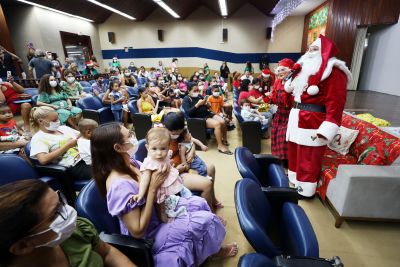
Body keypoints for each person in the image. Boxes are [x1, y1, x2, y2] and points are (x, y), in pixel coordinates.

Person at [91, 123, 238, 266]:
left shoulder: (130, 162)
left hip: (158, 209)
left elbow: (151, 175)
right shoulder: (119, 186)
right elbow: (137, 231)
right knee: (206, 220)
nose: (133, 136)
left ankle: (209, 249)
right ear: (118, 147)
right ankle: (211, 250)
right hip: (150, 232)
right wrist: (153, 189)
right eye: (129, 135)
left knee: (199, 203)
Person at [0, 179, 136, 267]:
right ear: (23, 246)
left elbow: (107, 252)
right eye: (55, 214)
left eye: (60, 201)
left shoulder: (76, 230)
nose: (68, 212)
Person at [284, 35, 351, 197]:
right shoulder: (301, 69)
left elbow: (336, 102)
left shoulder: (333, 70)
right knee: (294, 152)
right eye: (309, 49)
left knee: (308, 157)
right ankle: (294, 182)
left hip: (313, 122)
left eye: (315, 49)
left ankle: (305, 191)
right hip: (296, 118)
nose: (309, 52)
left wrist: (328, 127)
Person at [162, 112, 224, 211]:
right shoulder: (161, 140)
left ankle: (212, 199)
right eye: (173, 133)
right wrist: (177, 169)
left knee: (211, 168)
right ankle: (210, 214)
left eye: (178, 132)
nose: (175, 135)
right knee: (206, 183)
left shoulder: (181, 133)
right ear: (165, 128)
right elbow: (159, 166)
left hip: (185, 164)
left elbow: (190, 141)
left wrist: (192, 150)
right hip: (175, 173)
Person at [131, 127, 192, 223]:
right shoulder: (149, 163)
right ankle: (164, 223)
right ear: (147, 148)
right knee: (161, 208)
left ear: (168, 147)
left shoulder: (166, 155)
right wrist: (140, 194)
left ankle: (169, 211)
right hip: (157, 190)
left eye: (163, 148)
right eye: (154, 149)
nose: (159, 153)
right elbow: (145, 179)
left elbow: (169, 163)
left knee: (167, 201)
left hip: (164, 184)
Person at [29, 106, 92, 181]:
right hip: (74, 166)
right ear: (41, 121)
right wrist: (68, 145)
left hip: (87, 156)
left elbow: (82, 136)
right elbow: (43, 159)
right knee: (105, 171)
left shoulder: (63, 128)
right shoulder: (38, 138)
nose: (58, 121)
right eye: (54, 120)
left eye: (58, 118)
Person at [182, 84, 231, 155]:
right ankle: (220, 146)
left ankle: (224, 139)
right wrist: (197, 105)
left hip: (207, 114)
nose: (196, 92)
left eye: (197, 90)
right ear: (189, 91)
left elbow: (207, 107)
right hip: (199, 118)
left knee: (223, 122)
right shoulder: (186, 99)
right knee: (217, 124)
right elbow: (188, 112)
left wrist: (207, 104)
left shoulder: (199, 96)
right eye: (194, 91)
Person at [264, 58, 295, 166]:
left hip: (289, 114)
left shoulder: (293, 83)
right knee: (275, 133)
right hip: (279, 113)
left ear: (289, 71)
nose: (280, 72)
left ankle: (286, 161)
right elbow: (274, 99)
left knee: (284, 136)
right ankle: (278, 158)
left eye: (283, 70)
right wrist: (270, 97)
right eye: (279, 70)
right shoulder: (277, 82)